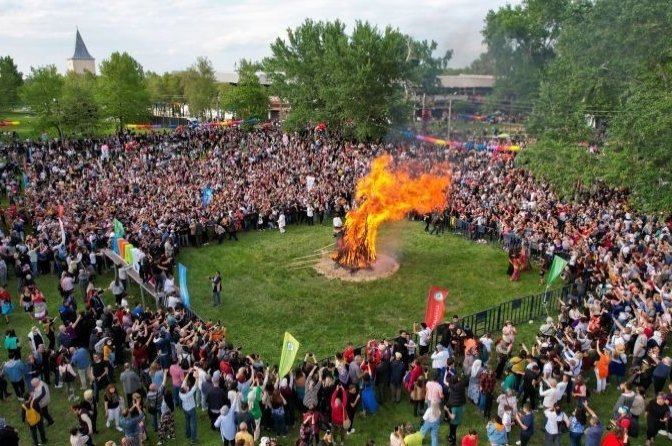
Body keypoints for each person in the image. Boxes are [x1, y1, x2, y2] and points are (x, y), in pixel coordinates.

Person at [179, 369, 199, 444]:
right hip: (191, 409)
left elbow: (184, 381)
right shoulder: (189, 394)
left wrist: (188, 373)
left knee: (187, 421)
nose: (186, 386)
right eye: (186, 387)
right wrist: (197, 377)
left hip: (185, 409)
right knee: (193, 424)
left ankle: (188, 434)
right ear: (186, 391)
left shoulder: (181, 392)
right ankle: (193, 439)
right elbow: (195, 386)